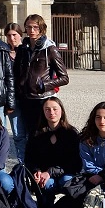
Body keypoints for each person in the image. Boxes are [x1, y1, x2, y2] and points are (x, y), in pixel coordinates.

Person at [13, 14, 69, 161]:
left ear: (41, 29)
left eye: (35, 27)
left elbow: (64, 78)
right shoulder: (23, 49)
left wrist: (44, 85)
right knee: (27, 135)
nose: (32, 30)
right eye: (29, 27)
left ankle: (46, 165)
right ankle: (30, 167)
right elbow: (16, 73)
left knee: (42, 134)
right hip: (25, 98)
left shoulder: (49, 49)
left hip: (42, 99)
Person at [26, 96, 81, 198]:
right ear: (43, 112)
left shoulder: (71, 133)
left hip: (66, 172)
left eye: (55, 109)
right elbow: (29, 158)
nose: (51, 112)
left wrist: (50, 172)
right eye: (47, 109)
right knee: (45, 184)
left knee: (67, 182)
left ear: (62, 111)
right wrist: (36, 171)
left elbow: (76, 163)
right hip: (44, 175)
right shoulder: (36, 133)